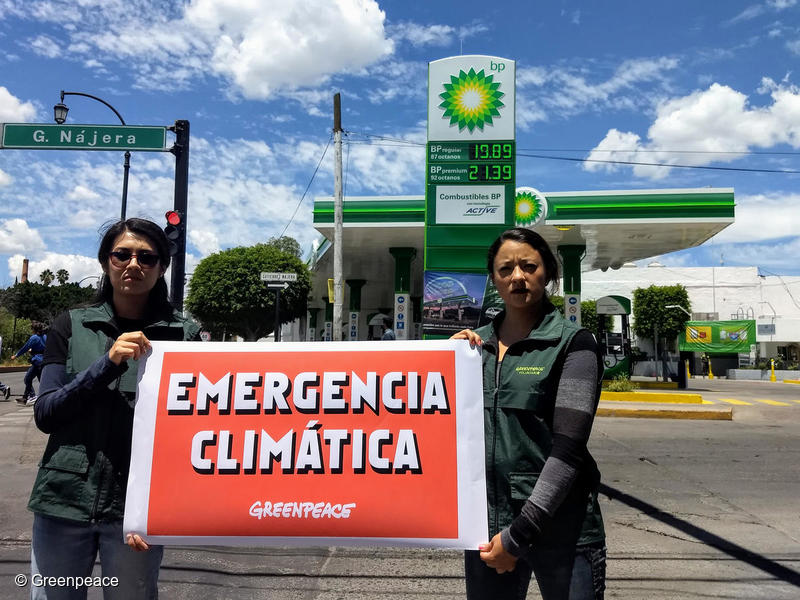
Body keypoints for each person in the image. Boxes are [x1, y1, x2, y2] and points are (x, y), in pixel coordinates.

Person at [28, 218, 200, 599]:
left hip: (135, 515)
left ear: (162, 268)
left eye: (147, 257)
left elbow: (193, 434)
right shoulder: (71, 325)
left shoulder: (185, 335)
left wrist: (159, 512)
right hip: (63, 502)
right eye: (122, 254)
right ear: (107, 261)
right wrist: (106, 364)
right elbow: (46, 413)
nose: (133, 264)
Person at [451, 227, 606, 600]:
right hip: (488, 530)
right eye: (506, 269)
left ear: (548, 273)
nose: (517, 276)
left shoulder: (575, 344)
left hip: (561, 531)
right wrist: (447, 365)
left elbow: (568, 451)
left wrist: (518, 537)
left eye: (528, 266)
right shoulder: (474, 348)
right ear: (494, 280)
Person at [14, 321, 47, 404]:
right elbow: (43, 348)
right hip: (44, 361)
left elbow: (25, 348)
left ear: (34, 329)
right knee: (41, 380)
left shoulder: (34, 338)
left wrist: (16, 355)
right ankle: (26, 397)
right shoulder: (45, 337)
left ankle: (31, 396)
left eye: (31, 329)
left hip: (37, 361)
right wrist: (33, 351)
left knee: (27, 379)